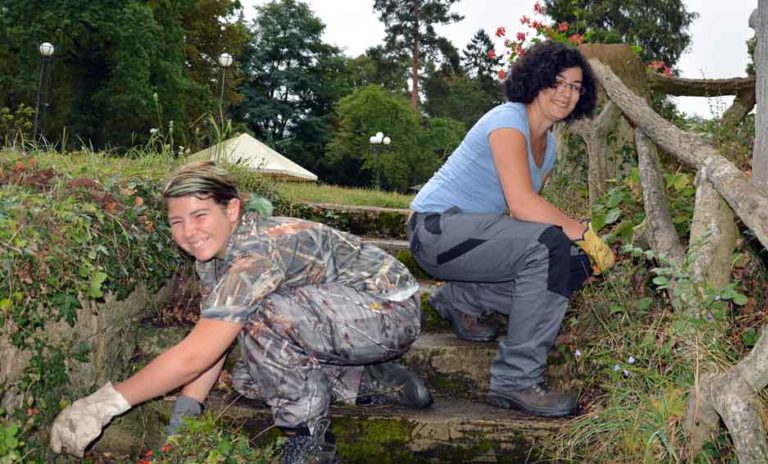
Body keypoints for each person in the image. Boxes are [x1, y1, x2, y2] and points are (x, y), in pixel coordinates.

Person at [50, 161, 432, 463]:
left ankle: (310, 442)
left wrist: (105, 404)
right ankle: (366, 382)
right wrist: (182, 428)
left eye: (200, 216)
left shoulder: (256, 252)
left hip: (387, 311)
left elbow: (195, 353)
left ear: (231, 209)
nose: (188, 231)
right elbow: (210, 347)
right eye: (176, 221)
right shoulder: (213, 255)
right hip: (341, 316)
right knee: (252, 378)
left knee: (262, 317)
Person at [407, 41, 615, 418]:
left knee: (573, 263)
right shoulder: (507, 120)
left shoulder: (548, 148)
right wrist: (583, 233)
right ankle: (516, 380)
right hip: (435, 231)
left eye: (575, 87)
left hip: (475, 240)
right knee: (557, 245)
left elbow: (526, 224)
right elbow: (522, 204)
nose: (566, 94)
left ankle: (462, 299)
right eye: (558, 82)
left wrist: (579, 250)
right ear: (536, 80)